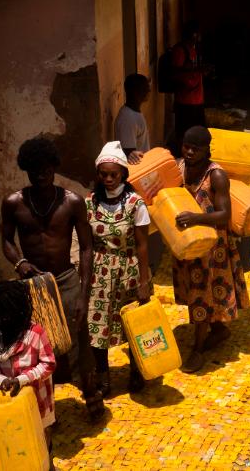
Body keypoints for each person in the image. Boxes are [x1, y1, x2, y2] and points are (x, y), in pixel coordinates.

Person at [0, 138, 101, 417]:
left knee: (79, 336)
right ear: (27, 171)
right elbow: (6, 241)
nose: (41, 175)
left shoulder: (72, 202)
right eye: (35, 171)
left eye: (46, 169)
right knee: (37, 346)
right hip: (32, 286)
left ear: (54, 167)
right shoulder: (13, 203)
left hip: (66, 280)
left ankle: (92, 394)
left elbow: (88, 248)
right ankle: (47, 407)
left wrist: (83, 294)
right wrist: (19, 261)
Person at [172, 127, 250, 373]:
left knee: (202, 295)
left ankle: (198, 349)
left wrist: (195, 218)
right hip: (186, 243)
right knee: (194, 291)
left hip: (210, 247)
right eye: (186, 147)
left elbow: (224, 215)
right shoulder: (179, 167)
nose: (190, 152)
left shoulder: (216, 176)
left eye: (196, 149)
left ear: (207, 149)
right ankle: (218, 329)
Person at [85, 142, 152, 394]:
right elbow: (88, 245)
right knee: (96, 324)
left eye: (114, 174)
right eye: (104, 175)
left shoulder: (136, 203)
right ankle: (103, 375)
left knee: (134, 323)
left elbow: (143, 246)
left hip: (130, 270)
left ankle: (137, 370)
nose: (109, 179)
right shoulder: (90, 203)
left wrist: (144, 282)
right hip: (100, 273)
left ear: (123, 173)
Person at [0, 282, 57, 440]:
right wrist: (0, 379)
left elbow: (48, 364)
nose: (5, 320)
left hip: (37, 401)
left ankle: (48, 464)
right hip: (6, 402)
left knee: (40, 438)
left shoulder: (35, 333)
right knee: (12, 438)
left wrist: (21, 380)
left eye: (9, 316)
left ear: (20, 312)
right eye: (1, 316)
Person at [170, 22, 205, 155]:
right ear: (194, 35)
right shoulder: (180, 50)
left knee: (196, 130)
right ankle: (181, 155)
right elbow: (175, 73)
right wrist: (196, 70)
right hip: (185, 100)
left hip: (197, 98)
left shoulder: (193, 48)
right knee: (185, 132)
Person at [114, 74, 151, 163]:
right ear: (136, 92)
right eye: (145, 88)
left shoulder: (134, 113)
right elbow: (130, 154)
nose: (149, 90)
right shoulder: (128, 118)